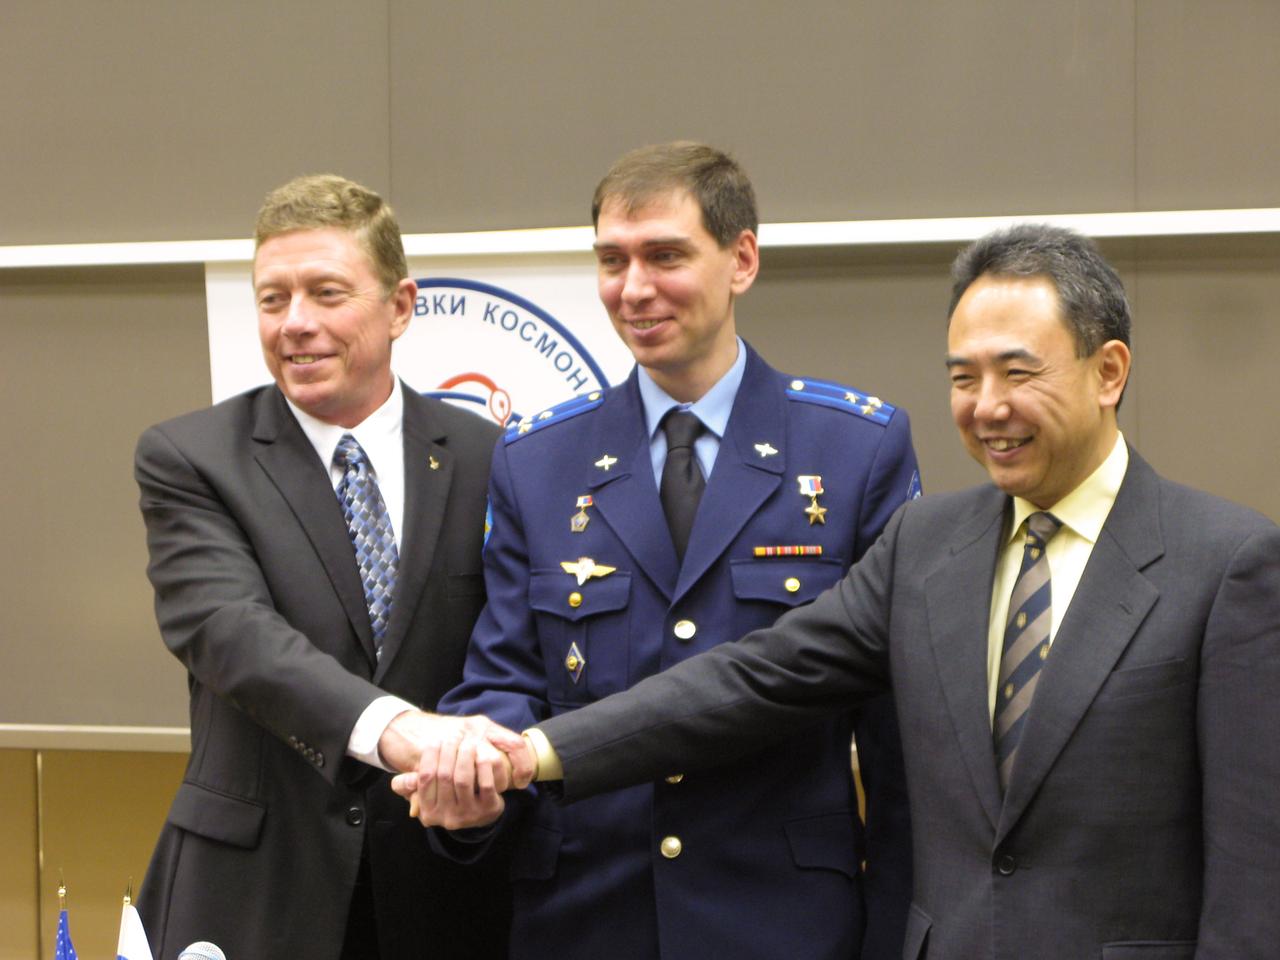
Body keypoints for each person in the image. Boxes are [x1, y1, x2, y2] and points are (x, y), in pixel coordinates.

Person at [406, 223, 1280, 958]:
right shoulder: (926, 547)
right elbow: (752, 679)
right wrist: (531, 753)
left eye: (1019, 373)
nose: (986, 407)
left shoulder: (1227, 563)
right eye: (963, 377)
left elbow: (1255, 871)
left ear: (1109, 371)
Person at [425, 142, 919, 960]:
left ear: (742, 260)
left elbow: (901, 736)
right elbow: (506, 678)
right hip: (585, 919)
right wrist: (474, 771)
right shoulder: (537, 459)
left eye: (665, 256)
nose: (633, 288)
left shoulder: (853, 450)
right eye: (612, 260)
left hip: (783, 923)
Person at [135, 174, 516, 960]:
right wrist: (399, 730)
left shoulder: (493, 458)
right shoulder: (191, 458)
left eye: (326, 293)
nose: (295, 324)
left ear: (400, 306)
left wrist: (479, 772)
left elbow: (513, 651)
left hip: (445, 887)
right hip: (256, 894)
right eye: (272, 300)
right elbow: (231, 633)